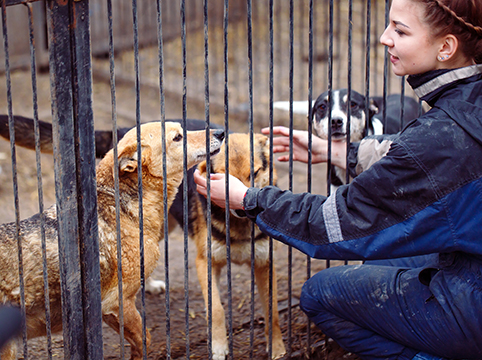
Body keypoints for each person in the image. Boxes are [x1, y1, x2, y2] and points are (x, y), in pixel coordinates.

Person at [194, 0, 482, 359]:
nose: (383, 38)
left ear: (446, 47)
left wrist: (250, 199)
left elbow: (340, 221)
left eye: (400, 30)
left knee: (319, 295)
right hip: (470, 256)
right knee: (379, 261)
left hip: (474, 299)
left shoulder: (440, 134)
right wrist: (339, 153)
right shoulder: (466, 103)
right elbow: (429, 157)